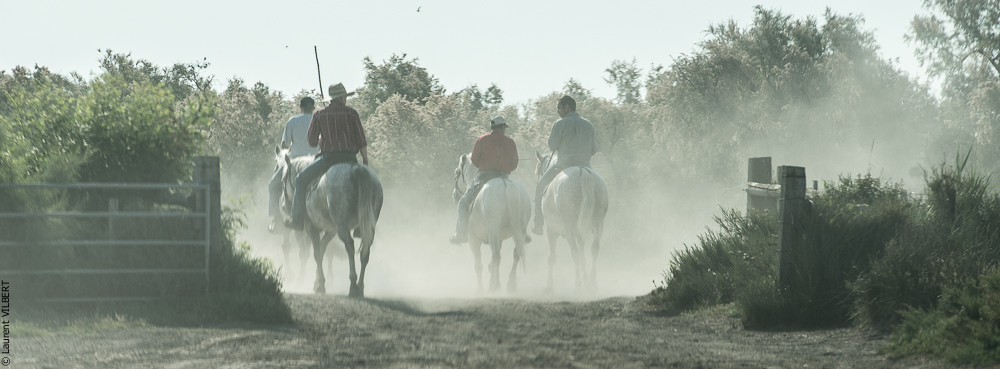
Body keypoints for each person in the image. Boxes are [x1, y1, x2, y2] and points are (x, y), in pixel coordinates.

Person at [284, 83, 369, 230]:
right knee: (365, 184)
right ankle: (362, 224)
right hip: (350, 158)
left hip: (328, 159)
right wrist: (365, 160)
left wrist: (322, 140)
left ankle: (297, 219)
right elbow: (361, 140)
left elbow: (311, 142)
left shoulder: (319, 114)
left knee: (300, 180)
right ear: (342, 97)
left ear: (331, 99)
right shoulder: (352, 113)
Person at [532, 95, 599, 235]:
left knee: (539, 186)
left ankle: (538, 223)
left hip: (562, 165)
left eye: (559, 108)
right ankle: (594, 222)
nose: (558, 111)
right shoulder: (588, 124)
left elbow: (552, 146)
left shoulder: (560, 123)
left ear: (567, 107)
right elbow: (594, 149)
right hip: (586, 166)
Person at [449, 116, 520, 244]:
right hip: (504, 177)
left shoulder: (482, 139)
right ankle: (522, 232)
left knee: (463, 202)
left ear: (492, 127)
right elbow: (514, 164)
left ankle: (461, 234)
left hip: (483, 177)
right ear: (503, 127)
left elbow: (474, 161)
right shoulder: (510, 142)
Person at [268, 97, 319, 232]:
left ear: (300, 108)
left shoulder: (293, 121)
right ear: (313, 109)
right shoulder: (319, 120)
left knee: (273, 186)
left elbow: (284, 144)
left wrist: (293, 145)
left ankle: (277, 220)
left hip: (295, 163)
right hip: (315, 162)